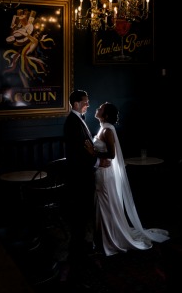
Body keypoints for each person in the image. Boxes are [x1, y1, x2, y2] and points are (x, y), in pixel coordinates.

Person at [92, 101, 170, 256]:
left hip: (106, 174)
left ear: (106, 115)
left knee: (107, 206)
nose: (97, 109)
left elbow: (112, 155)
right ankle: (103, 238)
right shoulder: (103, 128)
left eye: (100, 108)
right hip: (101, 172)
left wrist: (92, 153)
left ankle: (111, 239)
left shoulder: (108, 130)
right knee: (103, 206)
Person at [63, 89, 111, 259]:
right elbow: (78, 152)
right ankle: (79, 251)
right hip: (79, 176)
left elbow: (87, 149)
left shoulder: (78, 120)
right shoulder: (72, 122)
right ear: (76, 104)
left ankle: (83, 245)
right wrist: (98, 162)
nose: (88, 105)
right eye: (85, 102)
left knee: (83, 213)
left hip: (84, 174)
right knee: (80, 213)